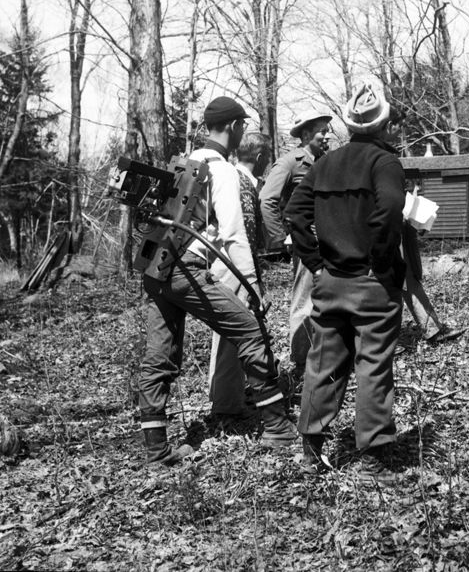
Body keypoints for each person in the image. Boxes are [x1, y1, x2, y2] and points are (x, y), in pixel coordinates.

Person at [135, 97, 297, 466]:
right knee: (251, 332)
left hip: (157, 270)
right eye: (242, 126)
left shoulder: (184, 162)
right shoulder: (222, 171)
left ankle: (156, 451)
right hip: (186, 270)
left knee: (159, 358)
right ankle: (278, 429)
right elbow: (233, 235)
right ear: (236, 127)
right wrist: (251, 288)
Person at [285, 83, 405, 480]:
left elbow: (294, 213)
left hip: (331, 281)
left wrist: (317, 264)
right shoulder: (384, 163)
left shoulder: (324, 163)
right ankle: (371, 457)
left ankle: (310, 448)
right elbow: (388, 210)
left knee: (324, 362)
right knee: (372, 364)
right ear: (384, 124)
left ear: (351, 125)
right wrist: (381, 261)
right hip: (370, 282)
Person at [205, 132, 273, 435]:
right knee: (231, 335)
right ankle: (225, 404)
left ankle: (230, 396)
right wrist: (252, 280)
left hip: (231, 265)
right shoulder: (240, 181)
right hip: (232, 266)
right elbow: (241, 235)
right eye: (267, 158)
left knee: (235, 334)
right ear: (259, 158)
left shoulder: (241, 179)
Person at [258, 112, 333, 388]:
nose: (326, 136)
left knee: (327, 297)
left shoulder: (326, 162)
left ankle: (323, 355)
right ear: (304, 136)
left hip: (330, 241)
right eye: (320, 132)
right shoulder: (290, 162)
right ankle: (301, 364)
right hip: (304, 241)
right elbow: (267, 199)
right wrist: (282, 239)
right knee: (304, 301)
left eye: (328, 131)